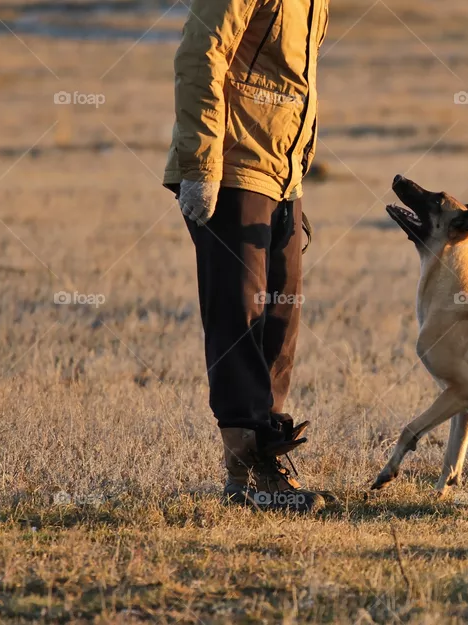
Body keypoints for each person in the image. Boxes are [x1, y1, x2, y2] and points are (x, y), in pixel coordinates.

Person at [163, 0, 331, 512]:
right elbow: (200, 54)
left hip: (280, 175)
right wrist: (200, 165)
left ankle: (267, 454)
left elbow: (294, 85)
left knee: (280, 316)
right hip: (231, 165)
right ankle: (246, 473)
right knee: (241, 315)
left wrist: (295, 175)